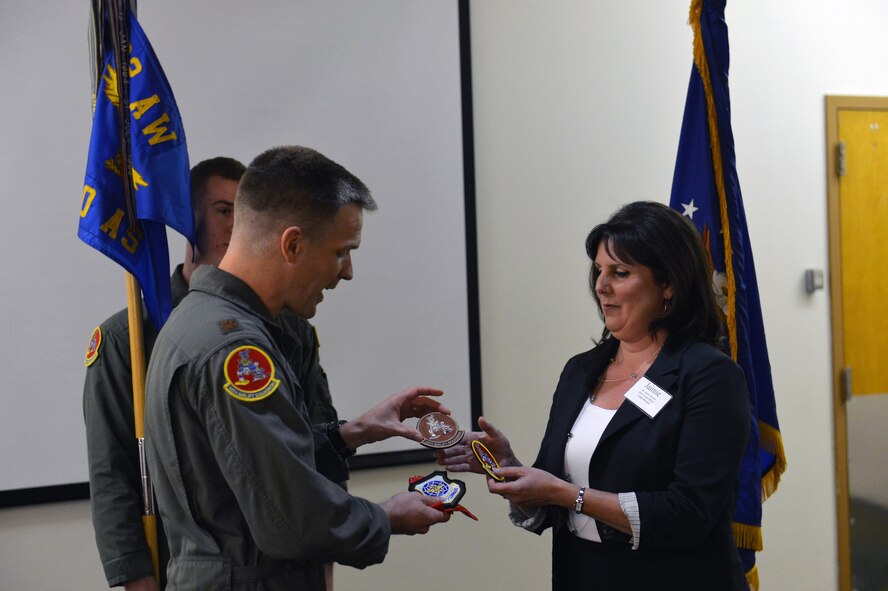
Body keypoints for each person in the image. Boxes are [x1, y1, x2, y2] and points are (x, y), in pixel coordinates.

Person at [144, 145, 450, 590]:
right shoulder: (236, 352)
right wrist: (385, 516)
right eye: (341, 252)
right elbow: (292, 520)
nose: (347, 273)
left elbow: (246, 467)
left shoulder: (198, 323)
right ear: (292, 244)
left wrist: (353, 433)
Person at [439, 201, 752, 590]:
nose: (601, 286)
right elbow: (553, 494)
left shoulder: (709, 375)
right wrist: (508, 465)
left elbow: (688, 514)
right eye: (599, 271)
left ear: (669, 284)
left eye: (620, 273)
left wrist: (569, 495)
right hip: (582, 574)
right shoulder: (581, 370)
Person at [83, 157, 341, 591]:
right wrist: (136, 577)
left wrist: (328, 561)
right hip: (189, 565)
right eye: (224, 211)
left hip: (289, 566)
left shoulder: (290, 328)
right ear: (187, 220)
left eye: (245, 213)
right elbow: (113, 471)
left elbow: (315, 447)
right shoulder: (127, 338)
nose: (236, 225)